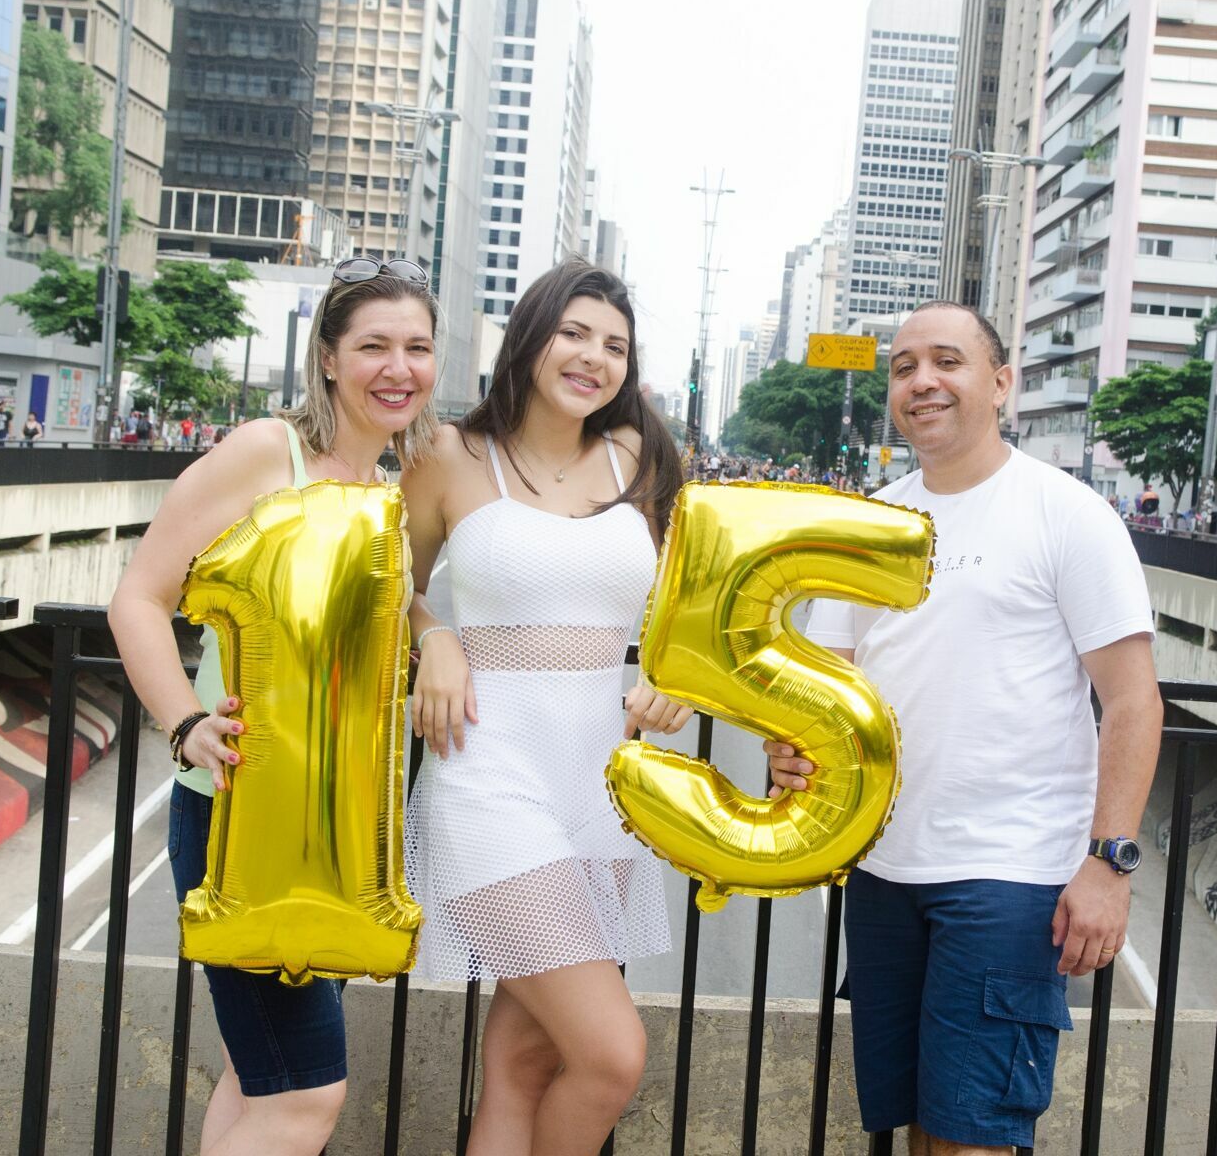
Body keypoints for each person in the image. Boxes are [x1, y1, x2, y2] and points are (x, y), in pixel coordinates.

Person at [766, 302, 1162, 1153]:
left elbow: (1132, 700)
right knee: (920, 1130)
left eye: (947, 361)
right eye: (905, 367)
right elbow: (828, 689)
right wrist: (788, 748)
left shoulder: (1067, 512)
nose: (923, 382)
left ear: (1001, 382)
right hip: (881, 866)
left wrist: (1109, 865)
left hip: (1009, 876)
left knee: (972, 1136)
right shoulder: (867, 525)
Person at [110, 256, 440, 1155]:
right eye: (373, 345)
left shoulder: (384, 485)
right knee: (306, 1097)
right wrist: (184, 724)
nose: (397, 367)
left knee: (257, 1085)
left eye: (417, 347)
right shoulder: (269, 452)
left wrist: (434, 631)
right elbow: (138, 597)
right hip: (239, 827)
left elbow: (378, 610)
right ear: (328, 358)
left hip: (325, 845)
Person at [400, 259, 686, 1155]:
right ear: (529, 337)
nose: (593, 358)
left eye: (615, 346)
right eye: (574, 333)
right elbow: (380, 590)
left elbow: (691, 607)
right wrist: (433, 635)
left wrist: (675, 675)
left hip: (601, 786)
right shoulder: (448, 455)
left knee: (524, 1066)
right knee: (610, 1054)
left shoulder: (641, 457)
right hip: (488, 772)